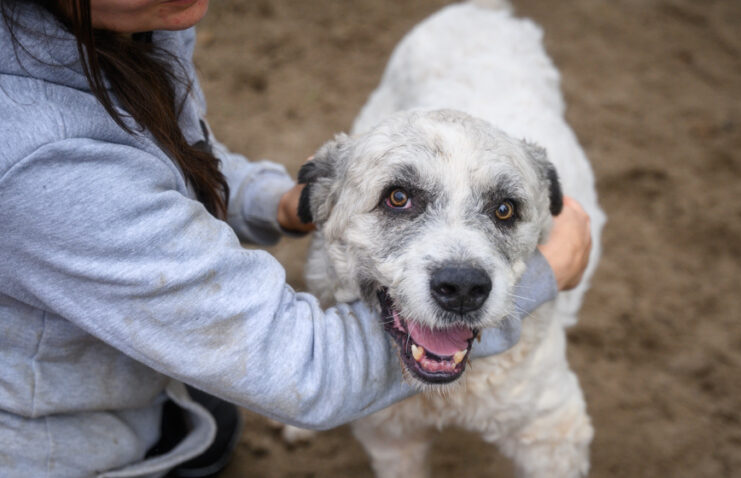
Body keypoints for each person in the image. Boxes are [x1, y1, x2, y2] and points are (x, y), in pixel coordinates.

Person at [0, 0, 593, 477]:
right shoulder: (38, 154)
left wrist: (276, 203)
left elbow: (160, 159)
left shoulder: (141, 15)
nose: (464, 272)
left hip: (134, 386)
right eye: (398, 198)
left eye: (506, 209)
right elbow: (303, 369)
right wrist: (544, 275)